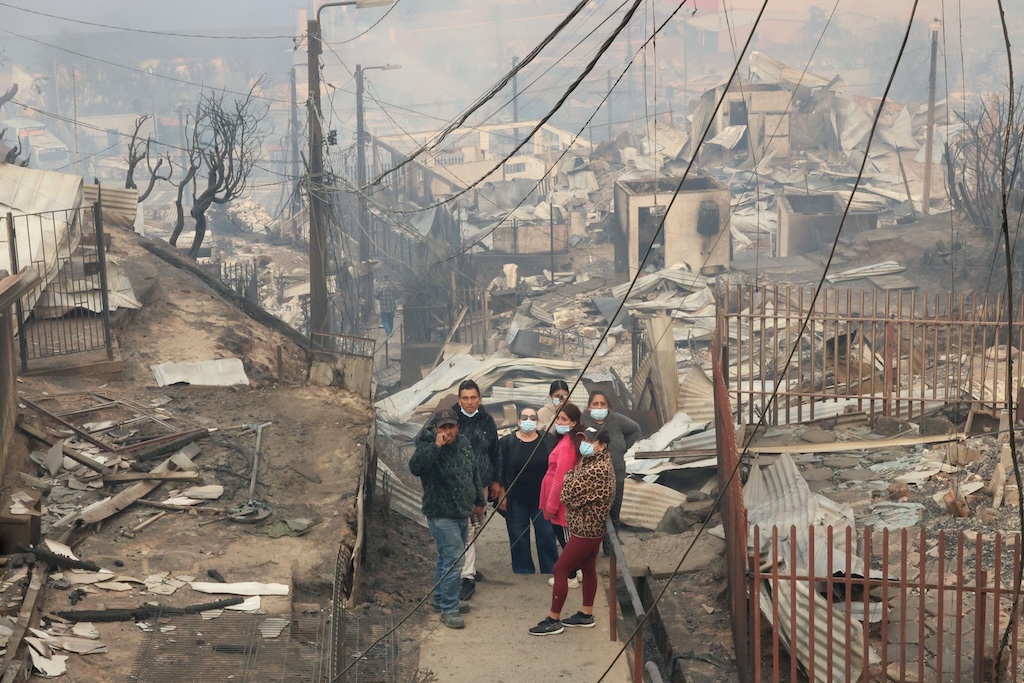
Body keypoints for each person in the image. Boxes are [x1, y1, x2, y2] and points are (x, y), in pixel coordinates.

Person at [529, 427, 616, 635]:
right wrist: (570, 480)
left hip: (587, 528)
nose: (585, 444)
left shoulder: (598, 468)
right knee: (587, 567)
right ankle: (586, 614)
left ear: (602, 445)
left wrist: (568, 481)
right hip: (586, 526)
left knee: (561, 569)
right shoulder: (590, 461)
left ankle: (553, 619)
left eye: (591, 441)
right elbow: (570, 483)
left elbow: (566, 495)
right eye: (583, 439)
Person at [409, 407, 485, 630]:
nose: (448, 431)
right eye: (443, 427)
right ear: (436, 429)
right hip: (441, 515)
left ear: (457, 427)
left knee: (446, 559)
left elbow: (474, 474)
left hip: (462, 512)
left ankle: (441, 601)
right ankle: (449, 609)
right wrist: (436, 446)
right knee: (455, 562)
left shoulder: (464, 444)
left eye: (451, 426)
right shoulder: (428, 446)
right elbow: (416, 467)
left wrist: (479, 502)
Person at [495, 407, 558, 575]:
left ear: (537, 422)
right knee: (518, 537)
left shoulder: (546, 441)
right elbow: (500, 470)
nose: (528, 420)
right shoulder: (507, 443)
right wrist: (502, 494)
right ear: (518, 421)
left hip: (542, 499)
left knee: (546, 536)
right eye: (525, 417)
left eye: (532, 417)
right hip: (517, 499)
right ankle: (523, 571)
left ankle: (550, 569)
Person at [451, 380, 499, 600]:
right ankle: (466, 576)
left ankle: (466, 565)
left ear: (480, 399)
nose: (469, 402)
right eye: (465, 398)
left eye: (473, 398)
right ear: (459, 399)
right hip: (457, 485)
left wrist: (497, 481)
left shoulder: (487, 420)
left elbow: (495, 452)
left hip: (481, 483)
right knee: (466, 528)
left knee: (475, 525)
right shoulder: (449, 419)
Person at [539, 402, 582, 589]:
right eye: (557, 418)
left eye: (563, 419)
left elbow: (561, 478)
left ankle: (570, 575)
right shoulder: (566, 441)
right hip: (559, 496)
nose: (559, 422)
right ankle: (576, 570)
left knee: (565, 538)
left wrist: (551, 505)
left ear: (573, 422)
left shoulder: (567, 446)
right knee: (567, 537)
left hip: (560, 500)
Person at [582, 391, 640, 526]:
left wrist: (623, 448)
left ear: (608, 406)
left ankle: (612, 545)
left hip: (616, 476)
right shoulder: (582, 421)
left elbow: (635, 429)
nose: (599, 407)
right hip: (592, 481)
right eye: (595, 404)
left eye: (603, 404)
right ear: (589, 407)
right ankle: (593, 546)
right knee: (595, 518)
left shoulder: (617, 419)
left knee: (614, 516)